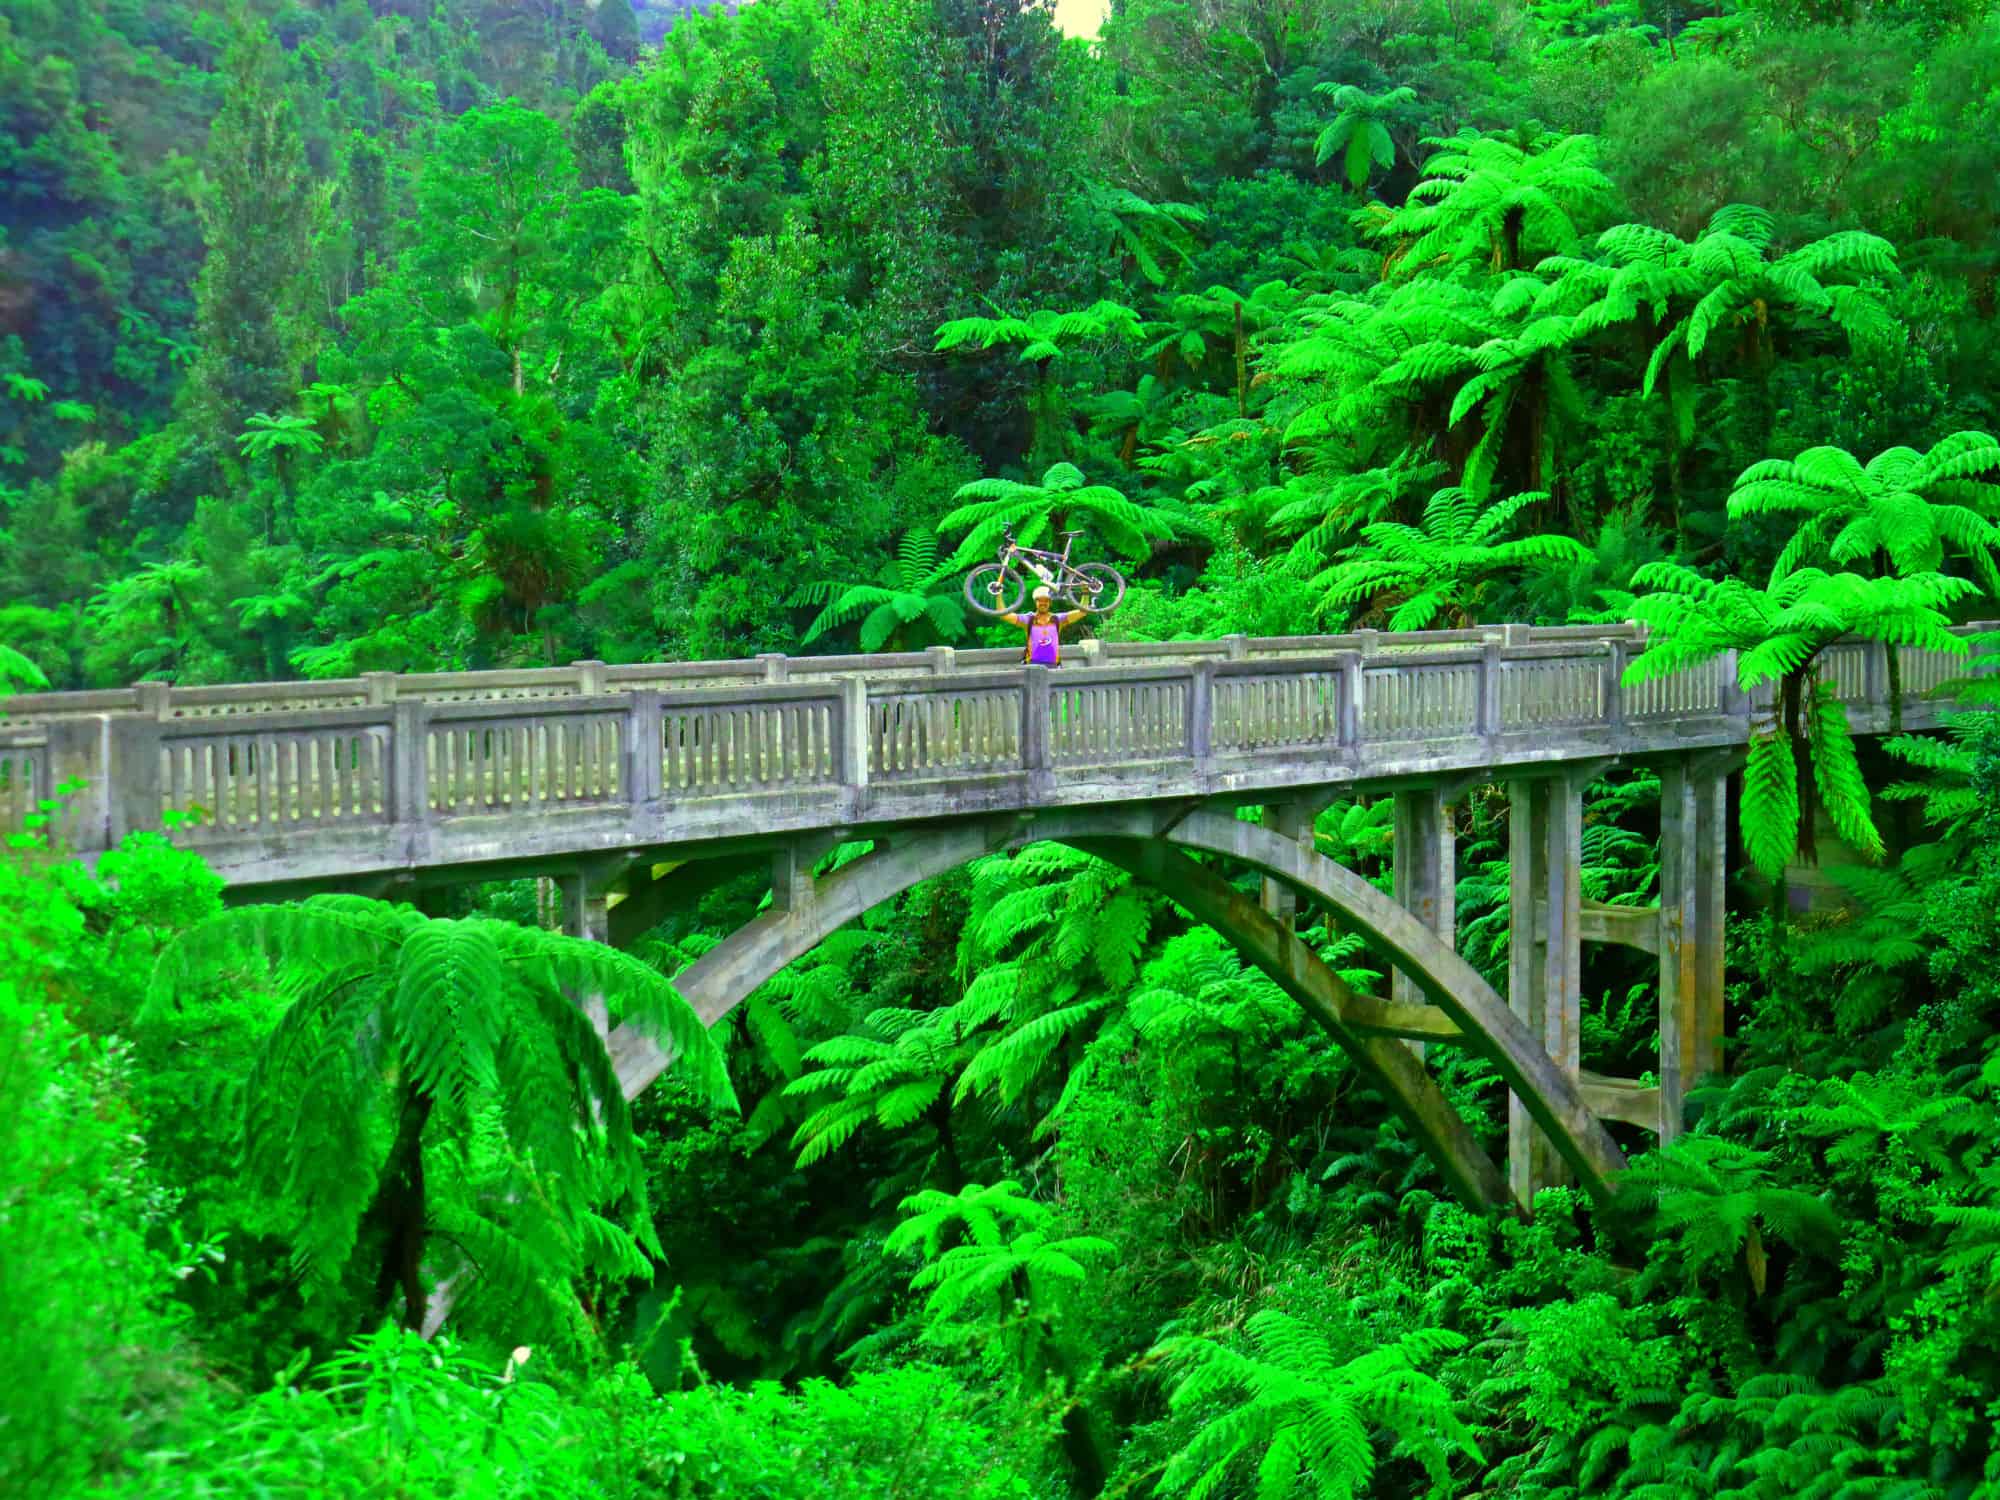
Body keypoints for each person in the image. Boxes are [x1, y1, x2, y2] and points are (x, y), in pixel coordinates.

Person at [1002, 586, 1087, 666]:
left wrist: (1085, 592)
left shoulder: (1057, 619)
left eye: (1046, 600)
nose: (1043, 603)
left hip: (1053, 665)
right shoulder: (1028, 619)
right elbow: (1003, 615)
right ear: (1035, 602)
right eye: (1040, 600)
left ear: (1050, 602)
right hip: (1032, 666)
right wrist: (998, 594)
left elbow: (1082, 612)